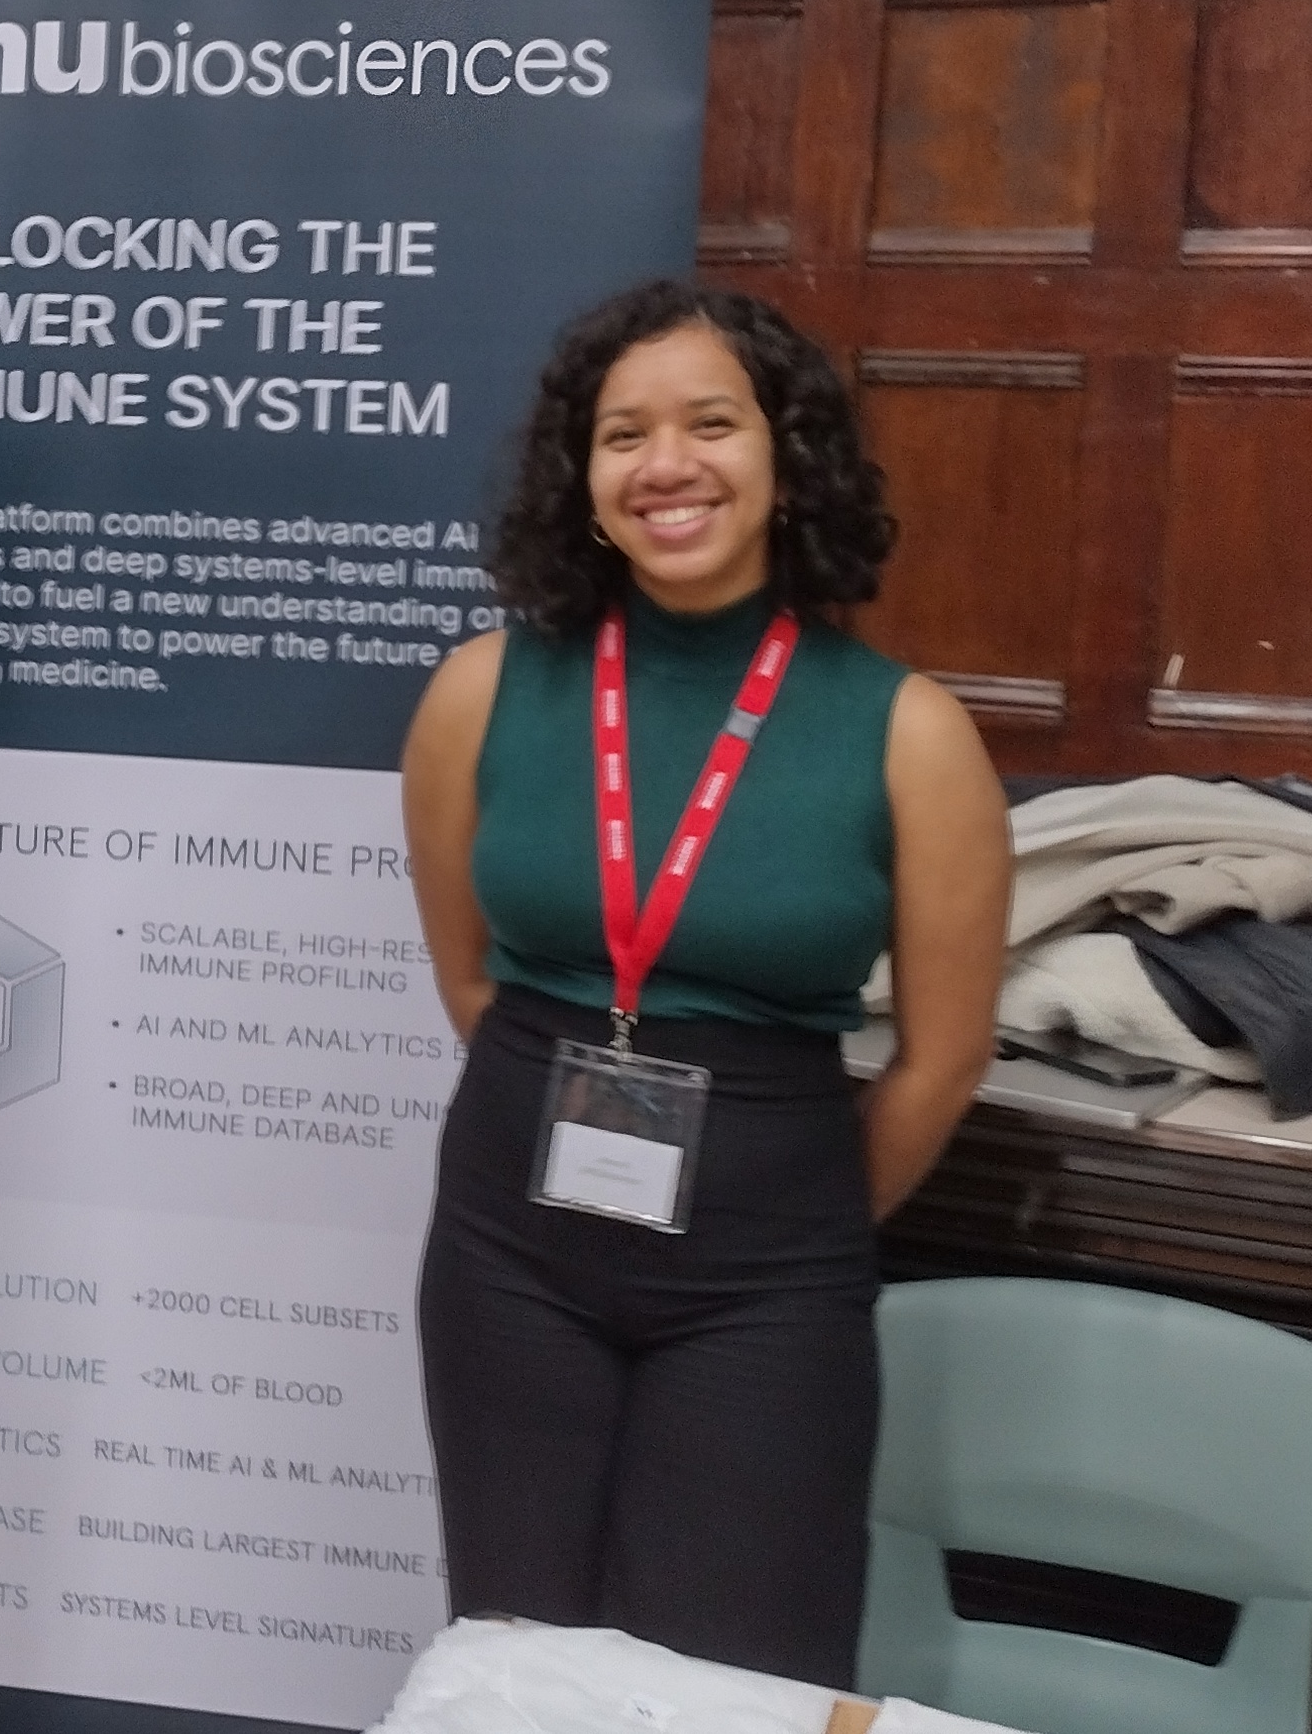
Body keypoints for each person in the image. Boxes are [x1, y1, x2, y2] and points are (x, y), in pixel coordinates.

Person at [398, 280, 1008, 1686]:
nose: (666, 463)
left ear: (786, 455)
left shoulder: (906, 731)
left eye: (711, 422)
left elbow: (943, 1059)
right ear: (585, 477)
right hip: (509, 1259)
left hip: (766, 1282)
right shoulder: (480, 691)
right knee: (517, 1668)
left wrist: (778, 1210)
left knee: (735, 1680)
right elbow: (470, 976)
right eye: (624, 434)